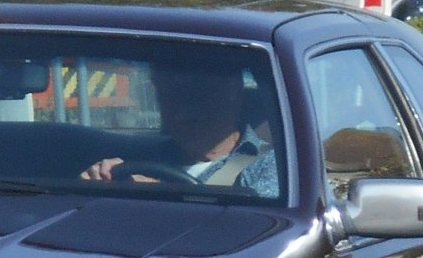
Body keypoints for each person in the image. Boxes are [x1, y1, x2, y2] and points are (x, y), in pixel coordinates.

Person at [80, 66, 280, 198]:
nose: (183, 110)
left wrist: (158, 191)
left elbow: (249, 230)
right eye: (169, 95)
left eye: (199, 94)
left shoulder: (271, 164)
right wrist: (100, 181)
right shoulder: (141, 155)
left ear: (234, 94)